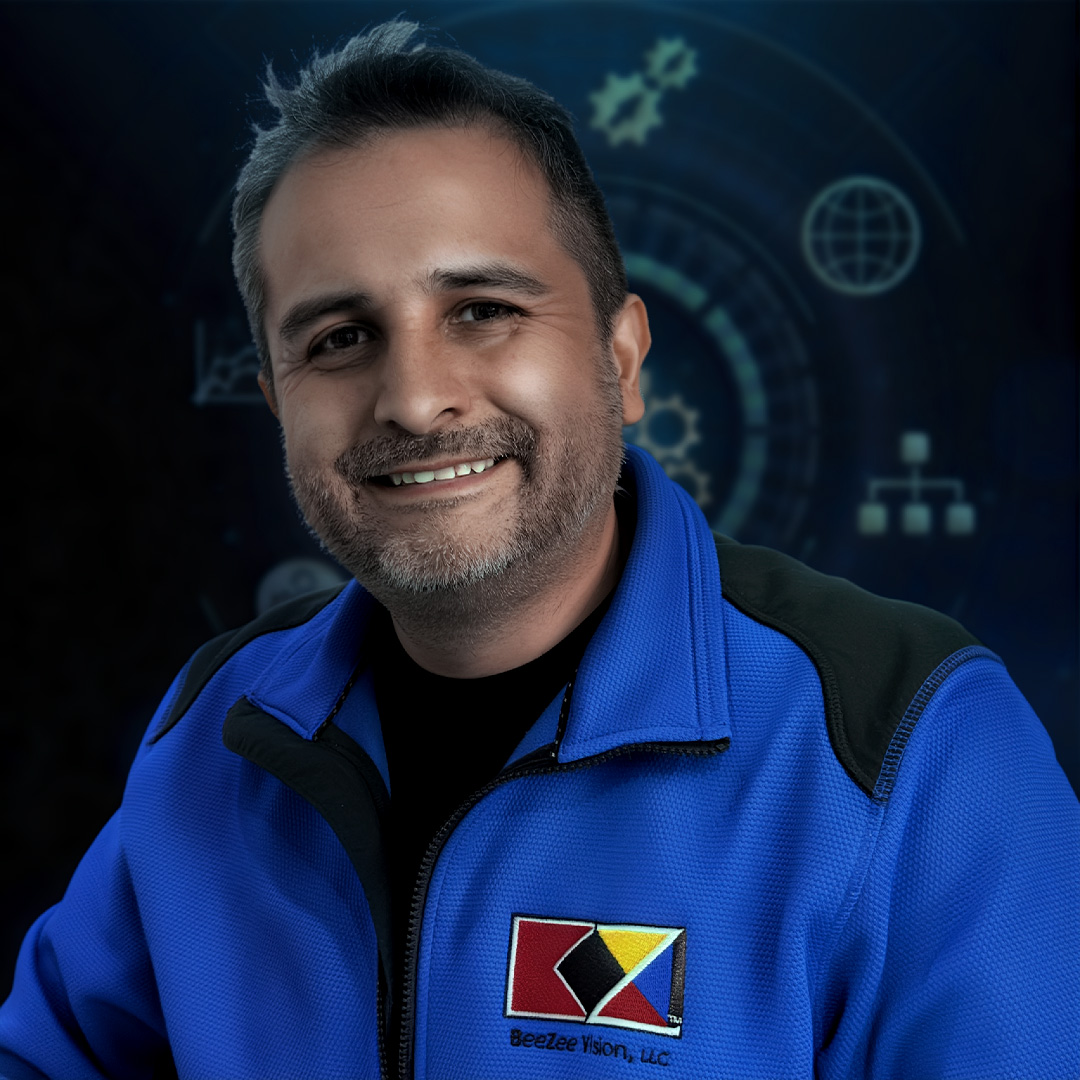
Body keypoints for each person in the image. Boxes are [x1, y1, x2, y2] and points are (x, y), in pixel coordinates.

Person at [1, 19, 1077, 1080]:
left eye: (481, 309)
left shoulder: (911, 746)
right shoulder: (215, 735)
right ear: (279, 400)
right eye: (339, 338)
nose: (414, 399)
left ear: (623, 358)